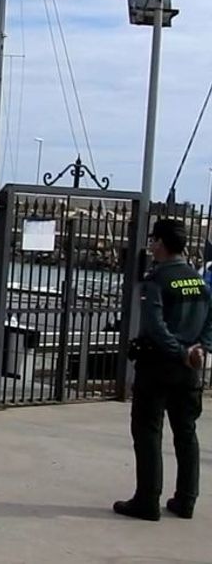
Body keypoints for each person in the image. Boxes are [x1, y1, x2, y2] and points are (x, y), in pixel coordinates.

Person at [115, 218, 212, 521]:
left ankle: (147, 500)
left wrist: (179, 351)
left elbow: (155, 326)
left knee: (147, 430)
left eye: (154, 240)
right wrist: (200, 349)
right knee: (186, 433)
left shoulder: (157, 280)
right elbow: (211, 320)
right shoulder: (199, 281)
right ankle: (186, 500)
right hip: (189, 369)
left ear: (162, 243)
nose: (151, 245)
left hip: (158, 365)